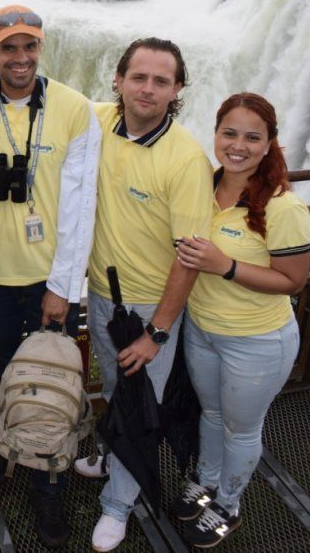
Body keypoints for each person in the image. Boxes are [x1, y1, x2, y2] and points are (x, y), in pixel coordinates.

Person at [0, 4, 101, 548]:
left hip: (49, 277)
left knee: (55, 378)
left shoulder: (75, 109)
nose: (20, 57)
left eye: (29, 46)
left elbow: (82, 206)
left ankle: (50, 483)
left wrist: (64, 285)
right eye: (8, 47)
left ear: (41, 49)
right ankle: (3, 445)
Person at [85, 38, 214, 552]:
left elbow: (190, 258)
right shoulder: (95, 121)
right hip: (101, 295)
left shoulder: (185, 160)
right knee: (118, 391)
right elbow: (38, 101)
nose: (148, 88)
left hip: (148, 307)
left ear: (177, 89)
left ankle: (118, 505)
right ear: (117, 79)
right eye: (139, 76)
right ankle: (111, 457)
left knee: (140, 407)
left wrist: (158, 332)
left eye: (162, 80)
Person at [171, 93, 310, 548]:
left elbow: (292, 281)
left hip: (256, 341)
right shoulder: (203, 186)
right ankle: (207, 483)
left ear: (270, 143)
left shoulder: (283, 206)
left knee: (241, 427)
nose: (239, 145)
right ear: (215, 134)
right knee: (211, 414)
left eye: (253, 137)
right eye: (229, 133)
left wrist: (224, 265)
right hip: (202, 328)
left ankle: (229, 505)